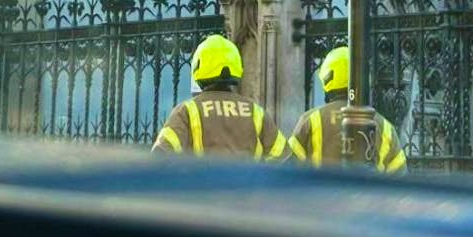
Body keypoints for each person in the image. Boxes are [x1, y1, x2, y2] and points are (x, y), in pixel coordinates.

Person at [152, 34, 288, 159]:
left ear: (199, 66)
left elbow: (160, 157)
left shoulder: (187, 111)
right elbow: (284, 159)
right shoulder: (256, 112)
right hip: (249, 185)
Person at [288, 45, 406, 173]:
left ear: (327, 78)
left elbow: (288, 173)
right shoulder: (384, 127)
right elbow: (401, 181)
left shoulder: (310, 121)